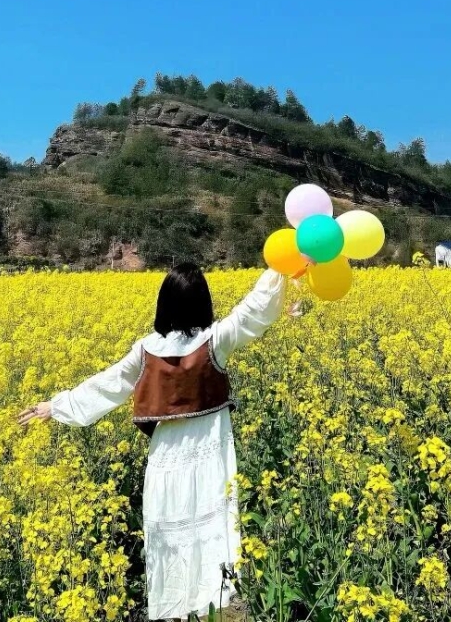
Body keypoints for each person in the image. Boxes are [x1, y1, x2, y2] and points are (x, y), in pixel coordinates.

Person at [17, 264, 287, 620]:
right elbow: (255, 309)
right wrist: (281, 271)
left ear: (165, 303)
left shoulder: (146, 349)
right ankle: (212, 602)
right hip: (210, 453)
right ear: (203, 303)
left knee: (169, 527)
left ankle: (174, 608)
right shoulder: (217, 340)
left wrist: (56, 406)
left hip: (166, 458)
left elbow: (107, 384)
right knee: (211, 524)